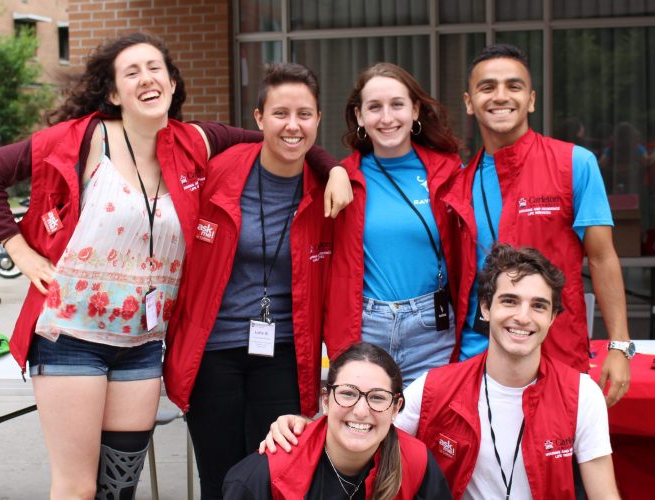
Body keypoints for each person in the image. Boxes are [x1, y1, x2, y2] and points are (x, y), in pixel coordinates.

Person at [0, 33, 346, 499]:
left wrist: (335, 168)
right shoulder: (81, 140)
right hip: (71, 338)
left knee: (120, 486)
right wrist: (20, 251)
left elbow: (284, 140)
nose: (146, 78)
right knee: (78, 488)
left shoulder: (195, 141)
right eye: (132, 72)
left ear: (171, 81)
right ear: (112, 92)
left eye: (155, 68)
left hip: (142, 345)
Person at [261, 244, 620, 499]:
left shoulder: (581, 394)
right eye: (509, 301)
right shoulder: (435, 388)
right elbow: (363, 424)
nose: (523, 317)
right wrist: (303, 425)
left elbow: (604, 494)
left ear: (553, 318)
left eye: (538, 306)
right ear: (484, 308)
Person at [161, 62, 351, 500]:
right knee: (220, 477)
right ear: (259, 118)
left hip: (284, 353)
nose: (293, 125)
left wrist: (334, 168)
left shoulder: (326, 188)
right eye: (280, 113)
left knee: (278, 474)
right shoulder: (220, 171)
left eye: (305, 114)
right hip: (214, 350)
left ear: (318, 120)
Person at [457, 43, 632, 407]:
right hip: (477, 356)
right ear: (470, 102)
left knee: (556, 461)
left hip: (555, 351)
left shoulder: (575, 164)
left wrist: (619, 345)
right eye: (487, 87)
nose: (500, 96)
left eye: (514, 86)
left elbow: (602, 258)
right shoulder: (458, 181)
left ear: (531, 100)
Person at [327, 62, 465, 387]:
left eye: (397, 105)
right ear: (360, 116)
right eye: (375, 107)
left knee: (432, 430)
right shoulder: (343, 178)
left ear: (415, 110)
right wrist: (329, 168)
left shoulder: (449, 172)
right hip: (365, 327)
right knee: (367, 430)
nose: (387, 118)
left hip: (433, 327)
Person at [223, 342, 452, 499]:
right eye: (348, 394)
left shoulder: (416, 463)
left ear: (396, 408)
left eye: (377, 397)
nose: (361, 411)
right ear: (326, 401)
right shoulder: (268, 473)